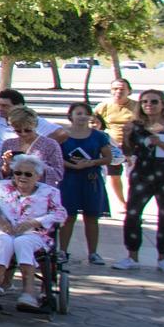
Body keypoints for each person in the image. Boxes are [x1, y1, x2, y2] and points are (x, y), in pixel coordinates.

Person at [0, 154, 67, 311]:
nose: (22, 177)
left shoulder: (49, 192)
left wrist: (34, 222)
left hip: (34, 234)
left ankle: (28, 293)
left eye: (28, 174)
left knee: (22, 242)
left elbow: (60, 214)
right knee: (3, 241)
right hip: (4, 231)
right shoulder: (2, 187)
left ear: (38, 176)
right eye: (18, 173)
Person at [118, 89, 164, 273]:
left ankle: (163, 257)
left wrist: (160, 143)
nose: (149, 105)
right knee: (133, 213)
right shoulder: (136, 126)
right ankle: (131, 256)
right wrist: (126, 136)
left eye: (154, 101)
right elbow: (127, 151)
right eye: (144, 102)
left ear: (163, 104)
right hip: (142, 173)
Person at [49, 100, 111, 263]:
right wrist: (71, 165)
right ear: (71, 116)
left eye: (85, 113)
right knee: (68, 216)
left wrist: (91, 163)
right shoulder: (63, 135)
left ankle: (93, 253)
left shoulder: (99, 136)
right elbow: (54, 156)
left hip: (91, 179)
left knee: (92, 217)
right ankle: (62, 251)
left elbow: (108, 157)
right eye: (78, 113)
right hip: (69, 179)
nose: (82, 117)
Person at [95, 77, 139, 215]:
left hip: (133, 147)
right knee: (114, 176)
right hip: (111, 148)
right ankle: (122, 203)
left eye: (122, 89)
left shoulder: (137, 107)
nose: (118, 91)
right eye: (115, 89)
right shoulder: (103, 106)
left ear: (129, 91)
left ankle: (133, 202)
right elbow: (94, 122)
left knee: (134, 178)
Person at [0, 108, 64, 192]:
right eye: (18, 130)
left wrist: (37, 165)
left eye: (27, 130)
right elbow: (2, 175)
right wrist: (7, 164)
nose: (23, 133)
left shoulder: (50, 144)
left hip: (41, 192)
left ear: (35, 126)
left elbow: (58, 174)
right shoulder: (8, 144)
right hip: (14, 193)